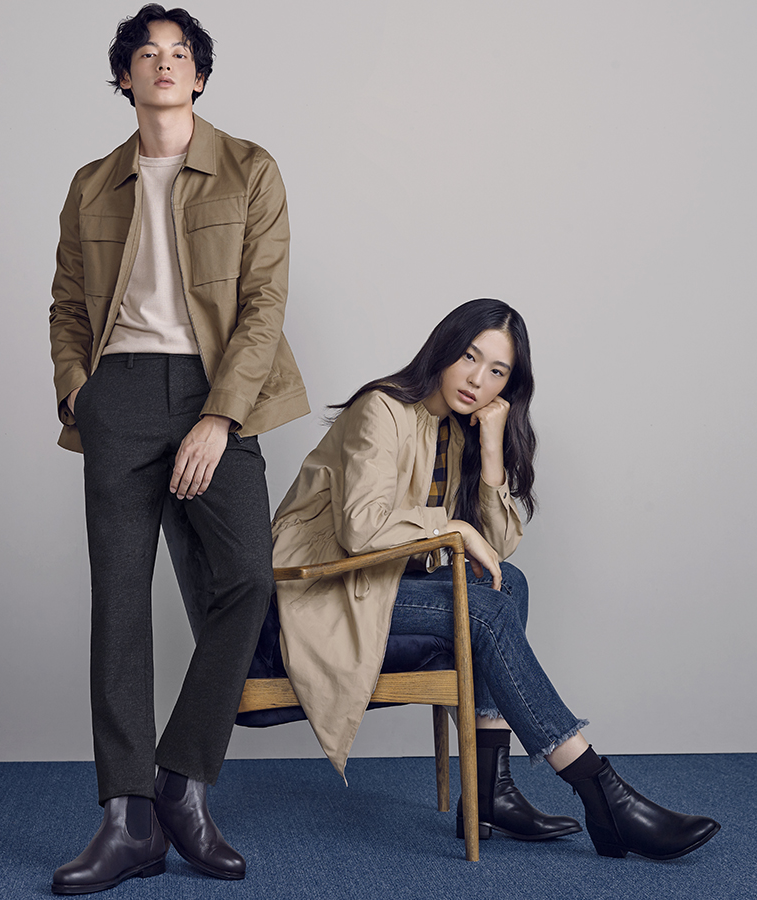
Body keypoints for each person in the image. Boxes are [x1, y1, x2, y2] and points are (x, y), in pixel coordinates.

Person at [271, 298, 720, 860]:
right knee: (486, 611)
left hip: (377, 587)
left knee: (509, 584)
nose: (477, 379)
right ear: (443, 349)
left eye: (497, 371)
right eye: (469, 356)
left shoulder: (455, 430)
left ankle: (489, 794)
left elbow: (496, 552)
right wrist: (455, 526)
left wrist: (490, 451)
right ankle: (600, 790)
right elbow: (361, 530)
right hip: (323, 589)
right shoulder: (381, 409)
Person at [48, 5, 308, 893]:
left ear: (199, 75)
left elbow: (265, 304)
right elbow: (66, 304)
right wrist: (78, 387)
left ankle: (182, 784)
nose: (164, 64)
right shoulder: (92, 183)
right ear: (124, 76)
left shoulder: (249, 168)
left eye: (180, 53)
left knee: (245, 580)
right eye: (147, 53)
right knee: (119, 605)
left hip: (214, 390)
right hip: (118, 395)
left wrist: (220, 417)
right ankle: (126, 822)